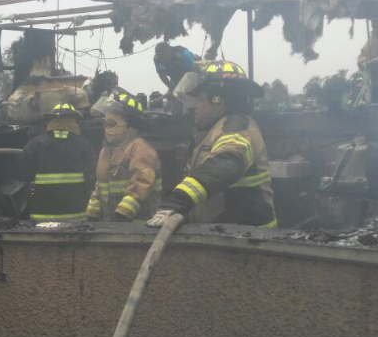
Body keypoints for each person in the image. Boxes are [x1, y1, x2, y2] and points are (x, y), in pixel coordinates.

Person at [147, 61, 277, 228]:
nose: (194, 107)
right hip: (229, 234)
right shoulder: (214, 130)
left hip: (251, 240)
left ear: (218, 101)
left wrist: (178, 201)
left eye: (199, 100)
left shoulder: (237, 127)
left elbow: (226, 162)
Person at [86, 92, 162, 223]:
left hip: (138, 225)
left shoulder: (140, 148)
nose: (106, 129)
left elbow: (141, 183)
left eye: (111, 124)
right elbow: (100, 186)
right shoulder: (105, 151)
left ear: (130, 125)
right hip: (112, 225)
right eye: (106, 124)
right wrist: (91, 214)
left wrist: (124, 213)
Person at [15, 103, 96, 221]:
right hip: (77, 218)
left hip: (41, 218)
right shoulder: (83, 145)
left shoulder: (35, 144)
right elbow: (93, 178)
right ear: (73, 122)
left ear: (51, 121)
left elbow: (21, 175)